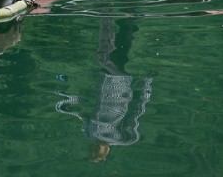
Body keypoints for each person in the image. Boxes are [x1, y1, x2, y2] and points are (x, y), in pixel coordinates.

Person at [55, 18, 153, 163]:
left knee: (121, 51)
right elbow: (136, 112)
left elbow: (82, 112)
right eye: (98, 154)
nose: (95, 150)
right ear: (106, 154)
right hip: (120, 88)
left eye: (92, 152)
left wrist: (65, 100)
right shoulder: (123, 139)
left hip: (103, 82)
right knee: (103, 57)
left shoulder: (90, 134)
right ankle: (106, 15)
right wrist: (146, 86)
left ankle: (128, 20)